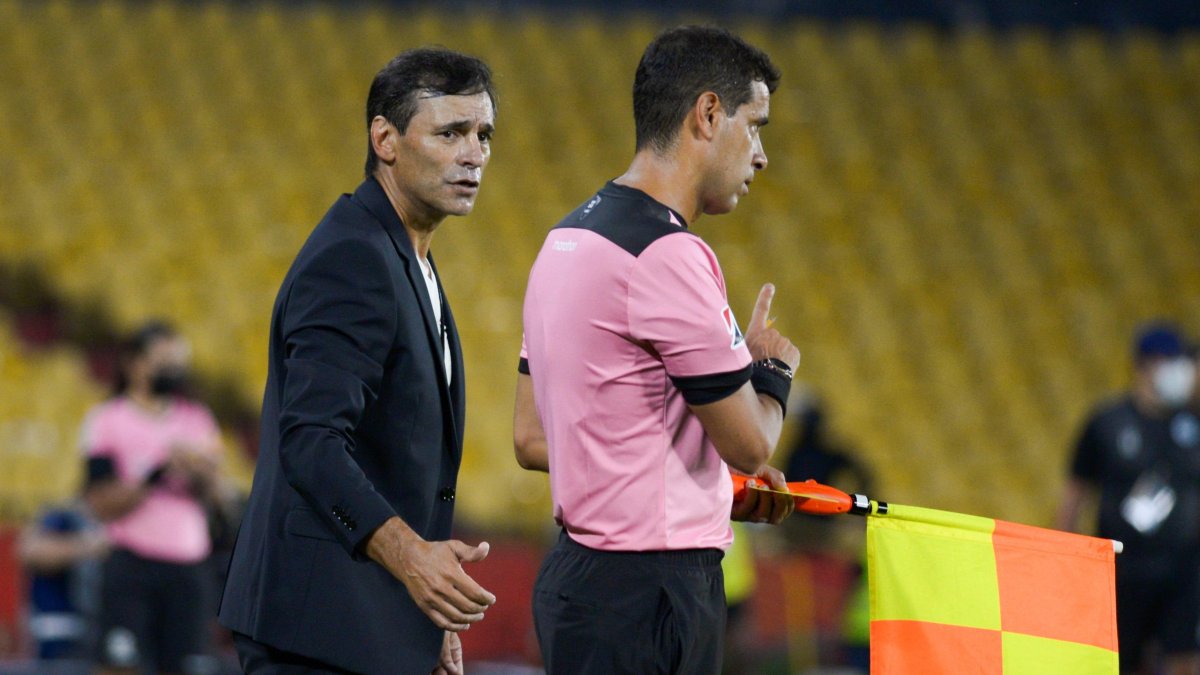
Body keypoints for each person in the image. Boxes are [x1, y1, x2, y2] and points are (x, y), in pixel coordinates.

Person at [512, 26, 800, 674]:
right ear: (708, 114)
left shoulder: (564, 241)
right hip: (652, 594)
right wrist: (772, 369)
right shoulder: (668, 253)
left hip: (578, 584)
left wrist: (701, 485)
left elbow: (533, 439)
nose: (761, 156)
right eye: (755, 127)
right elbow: (753, 445)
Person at [218, 48, 497, 675]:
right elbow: (311, 441)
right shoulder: (355, 258)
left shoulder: (404, 255)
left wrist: (418, 617)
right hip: (314, 635)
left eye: (483, 134)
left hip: (361, 625)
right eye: (450, 133)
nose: (473, 154)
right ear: (385, 139)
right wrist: (412, 561)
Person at [1057, 322, 1200, 675]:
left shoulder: (1193, 423)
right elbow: (1076, 491)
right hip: (1123, 566)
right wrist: (1064, 556)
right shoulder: (1107, 422)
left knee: (1185, 657)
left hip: (1183, 567)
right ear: (1144, 364)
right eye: (1172, 361)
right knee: (1122, 659)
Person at [82, 320, 225, 675]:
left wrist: (198, 474)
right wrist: (158, 471)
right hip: (132, 564)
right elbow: (100, 502)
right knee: (120, 666)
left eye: (177, 362)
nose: (172, 370)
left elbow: (217, 496)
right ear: (133, 363)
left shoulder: (196, 418)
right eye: (162, 361)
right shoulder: (107, 420)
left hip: (188, 567)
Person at [18, 500, 108, 671]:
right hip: (59, 634)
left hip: (99, 628)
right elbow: (31, 551)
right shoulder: (63, 516)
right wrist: (89, 546)